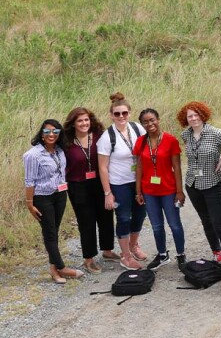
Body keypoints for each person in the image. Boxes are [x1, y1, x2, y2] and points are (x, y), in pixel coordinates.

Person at [178, 101, 221, 284]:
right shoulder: (186, 135)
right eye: (190, 116)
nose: (194, 118)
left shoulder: (216, 133)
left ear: (203, 115)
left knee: (219, 224)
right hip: (193, 184)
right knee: (206, 221)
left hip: (212, 185)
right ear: (186, 119)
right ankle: (217, 253)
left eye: (196, 114)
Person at [24, 119, 84, 284]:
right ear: (42, 134)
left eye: (55, 132)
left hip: (60, 194)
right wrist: (30, 204)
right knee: (49, 232)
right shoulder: (33, 155)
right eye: (47, 131)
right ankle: (62, 267)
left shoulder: (59, 150)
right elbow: (29, 181)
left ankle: (53, 270)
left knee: (54, 231)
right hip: (43, 197)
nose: (51, 135)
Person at [62, 107, 119, 274]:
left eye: (86, 120)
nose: (84, 123)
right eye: (79, 121)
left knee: (106, 216)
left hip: (100, 182)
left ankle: (107, 250)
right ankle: (89, 259)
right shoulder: (66, 142)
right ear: (73, 124)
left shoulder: (100, 136)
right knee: (86, 222)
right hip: (77, 185)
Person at [97, 92, 148, 271]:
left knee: (141, 214)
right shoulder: (107, 137)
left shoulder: (137, 129)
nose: (121, 117)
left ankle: (134, 245)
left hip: (139, 181)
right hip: (119, 183)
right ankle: (125, 256)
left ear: (129, 113)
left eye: (124, 113)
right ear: (111, 115)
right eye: (117, 114)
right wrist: (107, 193)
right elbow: (102, 167)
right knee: (124, 217)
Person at [133, 109, 186, 271]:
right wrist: (138, 192)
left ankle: (181, 254)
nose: (150, 124)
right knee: (156, 225)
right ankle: (162, 254)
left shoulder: (170, 140)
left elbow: (176, 167)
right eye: (146, 122)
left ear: (158, 119)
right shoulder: (141, 142)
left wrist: (179, 191)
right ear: (142, 124)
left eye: (152, 120)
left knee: (174, 224)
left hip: (169, 190)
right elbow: (139, 167)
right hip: (149, 191)